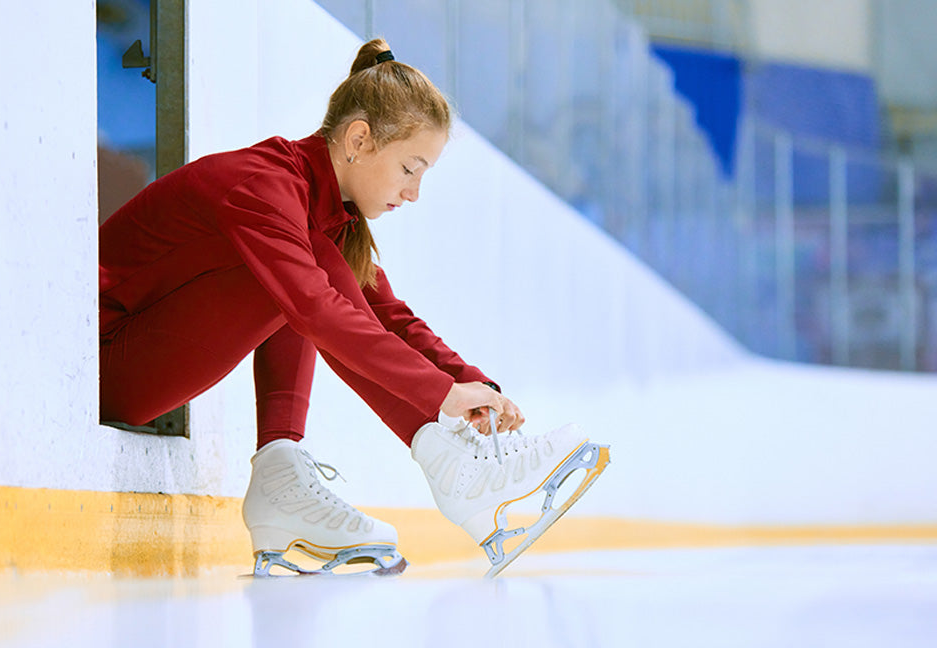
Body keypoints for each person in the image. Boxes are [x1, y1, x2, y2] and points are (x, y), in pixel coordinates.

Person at [99, 39, 608, 577]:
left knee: (312, 264)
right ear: (359, 139)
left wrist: (473, 388)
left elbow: (391, 316)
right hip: (105, 364)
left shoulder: (321, 213)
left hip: (144, 360)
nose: (414, 193)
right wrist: (439, 397)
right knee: (304, 280)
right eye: (410, 168)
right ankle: (448, 464)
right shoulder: (262, 187)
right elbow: (317, 309)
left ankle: (284, 473)